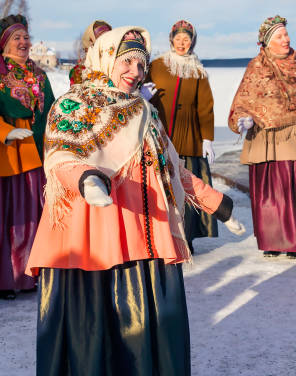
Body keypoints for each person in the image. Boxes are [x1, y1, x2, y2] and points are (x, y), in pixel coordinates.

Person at [26, 26, 244, 375]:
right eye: (126, 61)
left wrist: (217, 204)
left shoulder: (145, 112)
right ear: (106, 59)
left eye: (141, 64)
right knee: (98, 334)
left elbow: (173, 169)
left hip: (145, 238)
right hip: (91, 240)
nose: (135, 72)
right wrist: (87, 179)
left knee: (147, 338)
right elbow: (61, 156)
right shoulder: (73, 104)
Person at [228, 15, 296, 258]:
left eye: (286, 34)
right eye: (279, 36)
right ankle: (274, 241)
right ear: (267, 42)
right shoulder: (257, 68)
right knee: (273, 195)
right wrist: (243, 119)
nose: (286, 39)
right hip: (268, 139)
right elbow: (244, 99)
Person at [144, 19, 217, 253]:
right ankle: (162, 235)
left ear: (192, 42)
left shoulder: (198, 70)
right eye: (178, 38)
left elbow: (205, 106)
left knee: (187, 188)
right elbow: (138, 89)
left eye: (187, 39)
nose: (182, 43)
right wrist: (143, 96)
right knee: (162, 185)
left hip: (189, 137)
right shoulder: (156, 65)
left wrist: (207, 137)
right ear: (171, 39)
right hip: (161, 134)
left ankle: (186, 237)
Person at [0, 14, 54, 300]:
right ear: (5, 43)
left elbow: (52, 112)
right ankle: (6, 278)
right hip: (8, 157)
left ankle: (30, 276)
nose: (24, 42)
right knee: (10, 221)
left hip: (36, 156)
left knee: (33, 218)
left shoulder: (40, 75)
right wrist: (6, 131)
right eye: (16, 38)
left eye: (25, 37)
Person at [69, 20, 111, 85]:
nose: (106, 40)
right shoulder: (79, 71)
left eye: (109, 35)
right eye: (101, 36)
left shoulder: (118, 64)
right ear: (91, 41)